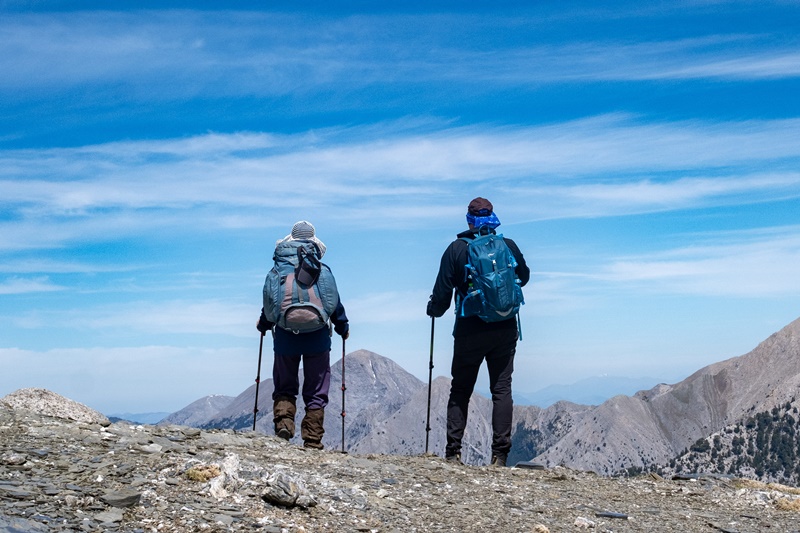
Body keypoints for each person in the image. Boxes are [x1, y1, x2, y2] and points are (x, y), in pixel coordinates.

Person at [427, 198, 530, 467]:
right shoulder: (507, 246)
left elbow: (442, 295)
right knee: (501, 389)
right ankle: (500, 455)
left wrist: (433, 310)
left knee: (461, 389)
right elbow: (525, 276)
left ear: (469, 220)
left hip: (470, 329)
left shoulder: (456, 249)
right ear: (493, 217)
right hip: (505, 327)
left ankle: (453, 453)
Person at [257, 221, 349, 449]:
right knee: (317, 388)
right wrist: (342, 327)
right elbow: (333, 301)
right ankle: (313, 439)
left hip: (286, 337)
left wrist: (264, 324)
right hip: (317, 337)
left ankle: (284, 425)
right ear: (313, 241)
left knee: (285, 384)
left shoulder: (278, 269)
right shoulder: (321, 268)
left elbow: (270, 301)